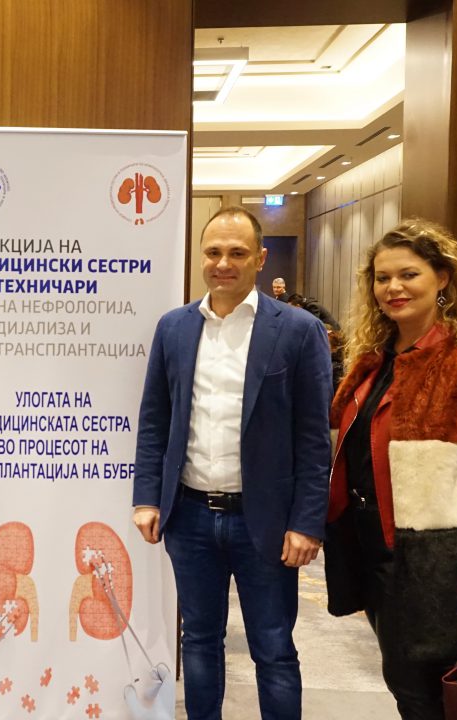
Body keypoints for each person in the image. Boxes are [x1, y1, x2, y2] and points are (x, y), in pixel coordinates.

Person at [133, 206, 333, 720]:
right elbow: (155, 420)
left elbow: (314, 440)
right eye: (214, 252)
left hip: (265, 522)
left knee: (274, 648)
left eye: (237, 253)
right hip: (190, 518)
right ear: (201, 257)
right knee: (199, 641)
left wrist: (307, 522)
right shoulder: (174, 328)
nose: (223, 263)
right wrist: (147, 497)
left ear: (260, 259)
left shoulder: (298, 330)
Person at [324, 219, 457, 719]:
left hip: (437, 564)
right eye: (383, 277)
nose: (394, 288)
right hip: (374, 551)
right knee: (405, 683)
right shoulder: (373, 360)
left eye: (409, 275)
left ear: (443, 277)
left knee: (433, 694)